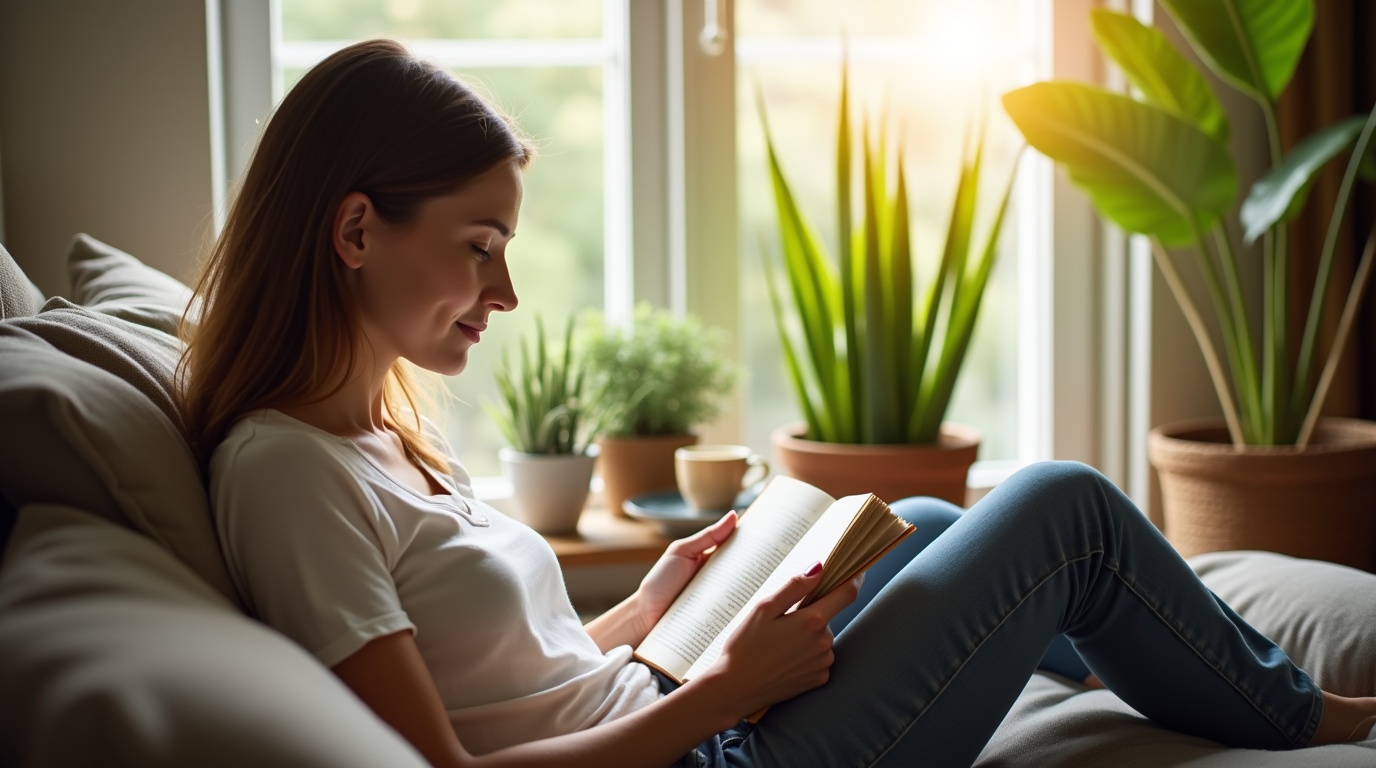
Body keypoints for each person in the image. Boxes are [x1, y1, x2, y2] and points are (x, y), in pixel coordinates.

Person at [177, 39, 1376, 768]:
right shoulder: (286, 472)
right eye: (478, 245)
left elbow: (521, 683)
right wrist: (722, 691)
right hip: (717, 752)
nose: (504, 291)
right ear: (354, 230)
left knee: (916, 524)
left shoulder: (375, 440)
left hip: (678, 706)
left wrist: (650, 608)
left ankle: (1154, 675)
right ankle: (1310, 718)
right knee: (1062, 508)